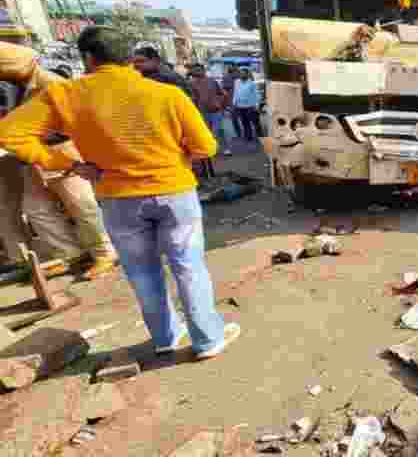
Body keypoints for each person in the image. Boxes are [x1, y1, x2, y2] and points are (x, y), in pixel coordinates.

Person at [0, 27, 240, 359]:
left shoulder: (66, 95)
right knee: (188, 266)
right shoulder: (166, 95)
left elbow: (9, 134)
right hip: (174, 193)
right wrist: (173, 159)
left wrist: (66, 162)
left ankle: (165, 338)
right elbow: (206, 146)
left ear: (87, 58)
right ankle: (207, 340)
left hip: (117, 199)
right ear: (131, 58)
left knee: (143, 273)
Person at [0, 42, 119, 279]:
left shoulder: (54, 83)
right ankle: (71, 253)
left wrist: (39, 133)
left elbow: (78, 122)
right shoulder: (16, 86)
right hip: (31, 158)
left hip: (61, 152)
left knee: (81, 206)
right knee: (37, 210)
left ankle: (104, 253)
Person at [188, 63, 231, 157]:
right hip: (202, 111)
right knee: (207, 131)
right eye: (195, 70)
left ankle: (226, 148)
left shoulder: (212, 81)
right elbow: (193, 97)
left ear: (203, 70)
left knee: (218, 130)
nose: (197, 72)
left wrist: (221, 104)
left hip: (216, 110)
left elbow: (222, 93)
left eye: (199, 70)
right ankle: (212, 149)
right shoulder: (191, 83)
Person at [232, 68, 262, 143]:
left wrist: (257, 105)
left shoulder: (252, 83)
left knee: (255, 122)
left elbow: (257, 95)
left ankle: (260, 136)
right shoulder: (236, 82)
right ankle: (248, 136)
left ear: (247, 74)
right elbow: (235, 93)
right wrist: (234, 103)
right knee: (245, 122)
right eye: (241, 73)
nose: (242, 75)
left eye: (244, 73)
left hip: (250, 107)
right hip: (240, 106)